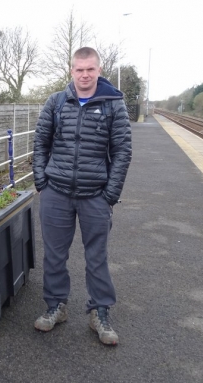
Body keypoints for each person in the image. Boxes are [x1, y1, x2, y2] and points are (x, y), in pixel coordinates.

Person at [32, 47, 132, 345]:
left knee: (97, 257)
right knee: (54, 255)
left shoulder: (114, 104)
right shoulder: (56, 102)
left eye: (90, 69)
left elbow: (123, 151)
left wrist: (109, 194)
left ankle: (100, 312)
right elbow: (41, 143)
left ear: (99, 70)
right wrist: (42, 183)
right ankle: (55, 306)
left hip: (95, 196)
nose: (85, 75)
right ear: (71, 71)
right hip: (56, 193)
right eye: (79, 69)